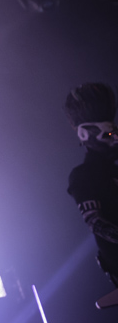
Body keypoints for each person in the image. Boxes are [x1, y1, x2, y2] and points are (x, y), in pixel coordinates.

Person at [65, 83, 118, 287]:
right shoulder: (83, 176)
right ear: (85, 134)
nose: (116, 139)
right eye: (109, 135)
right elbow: (94, 221)